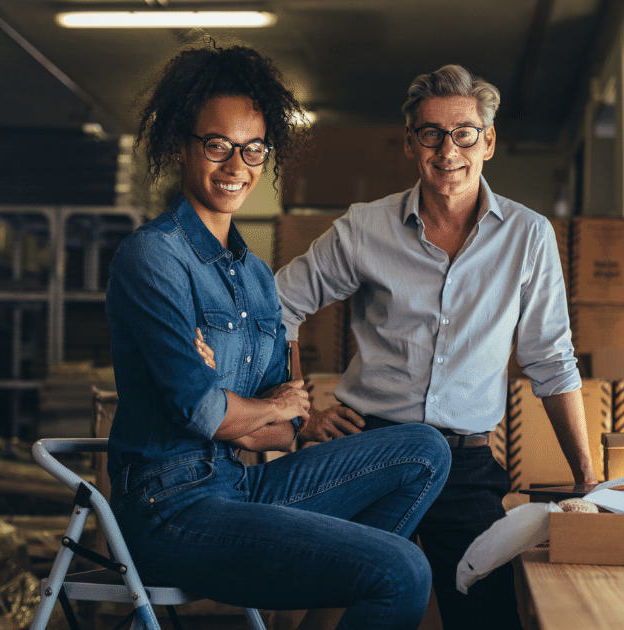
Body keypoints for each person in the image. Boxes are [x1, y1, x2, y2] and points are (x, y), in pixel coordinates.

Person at [104, 44, 451, 630]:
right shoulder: (153, 258)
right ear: (181, 145)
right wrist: (254, 407)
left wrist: (256, 409)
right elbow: (206, 412)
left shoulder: (256, 276)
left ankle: (342, 571)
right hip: (171, 508)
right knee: (403, 571)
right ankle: (365, 568)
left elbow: (281, 430)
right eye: (217, 145)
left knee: (424, 449)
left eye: (253, 148)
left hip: (238, 483)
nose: (236, 164)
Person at [272, 64, 597, 630]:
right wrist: (302, 412)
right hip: (369, 448)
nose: (448, 149)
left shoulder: (529, 236)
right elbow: (277, 307)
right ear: (409, 143)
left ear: (488, 141)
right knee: (336, 612)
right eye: (431, 133)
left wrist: (587, 479)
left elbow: (550, 358)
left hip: (465, 463)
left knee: (490, 616)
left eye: (464, 132)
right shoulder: (364, 229)